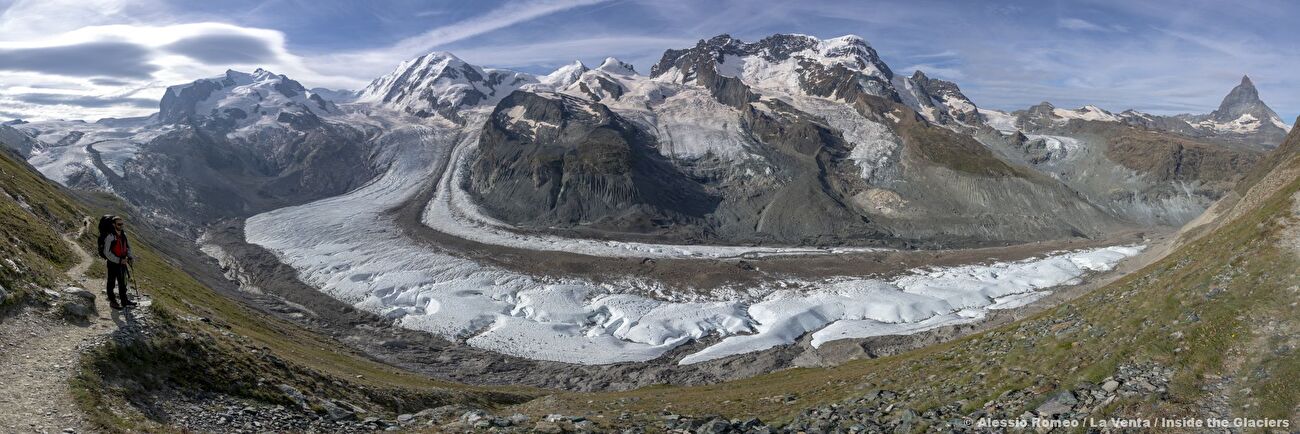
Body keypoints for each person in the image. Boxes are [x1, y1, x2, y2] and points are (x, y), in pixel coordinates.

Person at [101, 216, 136, 309]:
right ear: (114, 224)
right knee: (111, 282)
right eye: (119, 224)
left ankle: (124, 301)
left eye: (122, 224)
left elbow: (127, 247)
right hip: (113, 263)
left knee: (123, 283)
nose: (121, 226)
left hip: (123, 262)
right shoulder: (110, 236)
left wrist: (130, 257)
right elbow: (106, 253)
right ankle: (113, 301)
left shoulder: (123, 235)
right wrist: (119, 260)